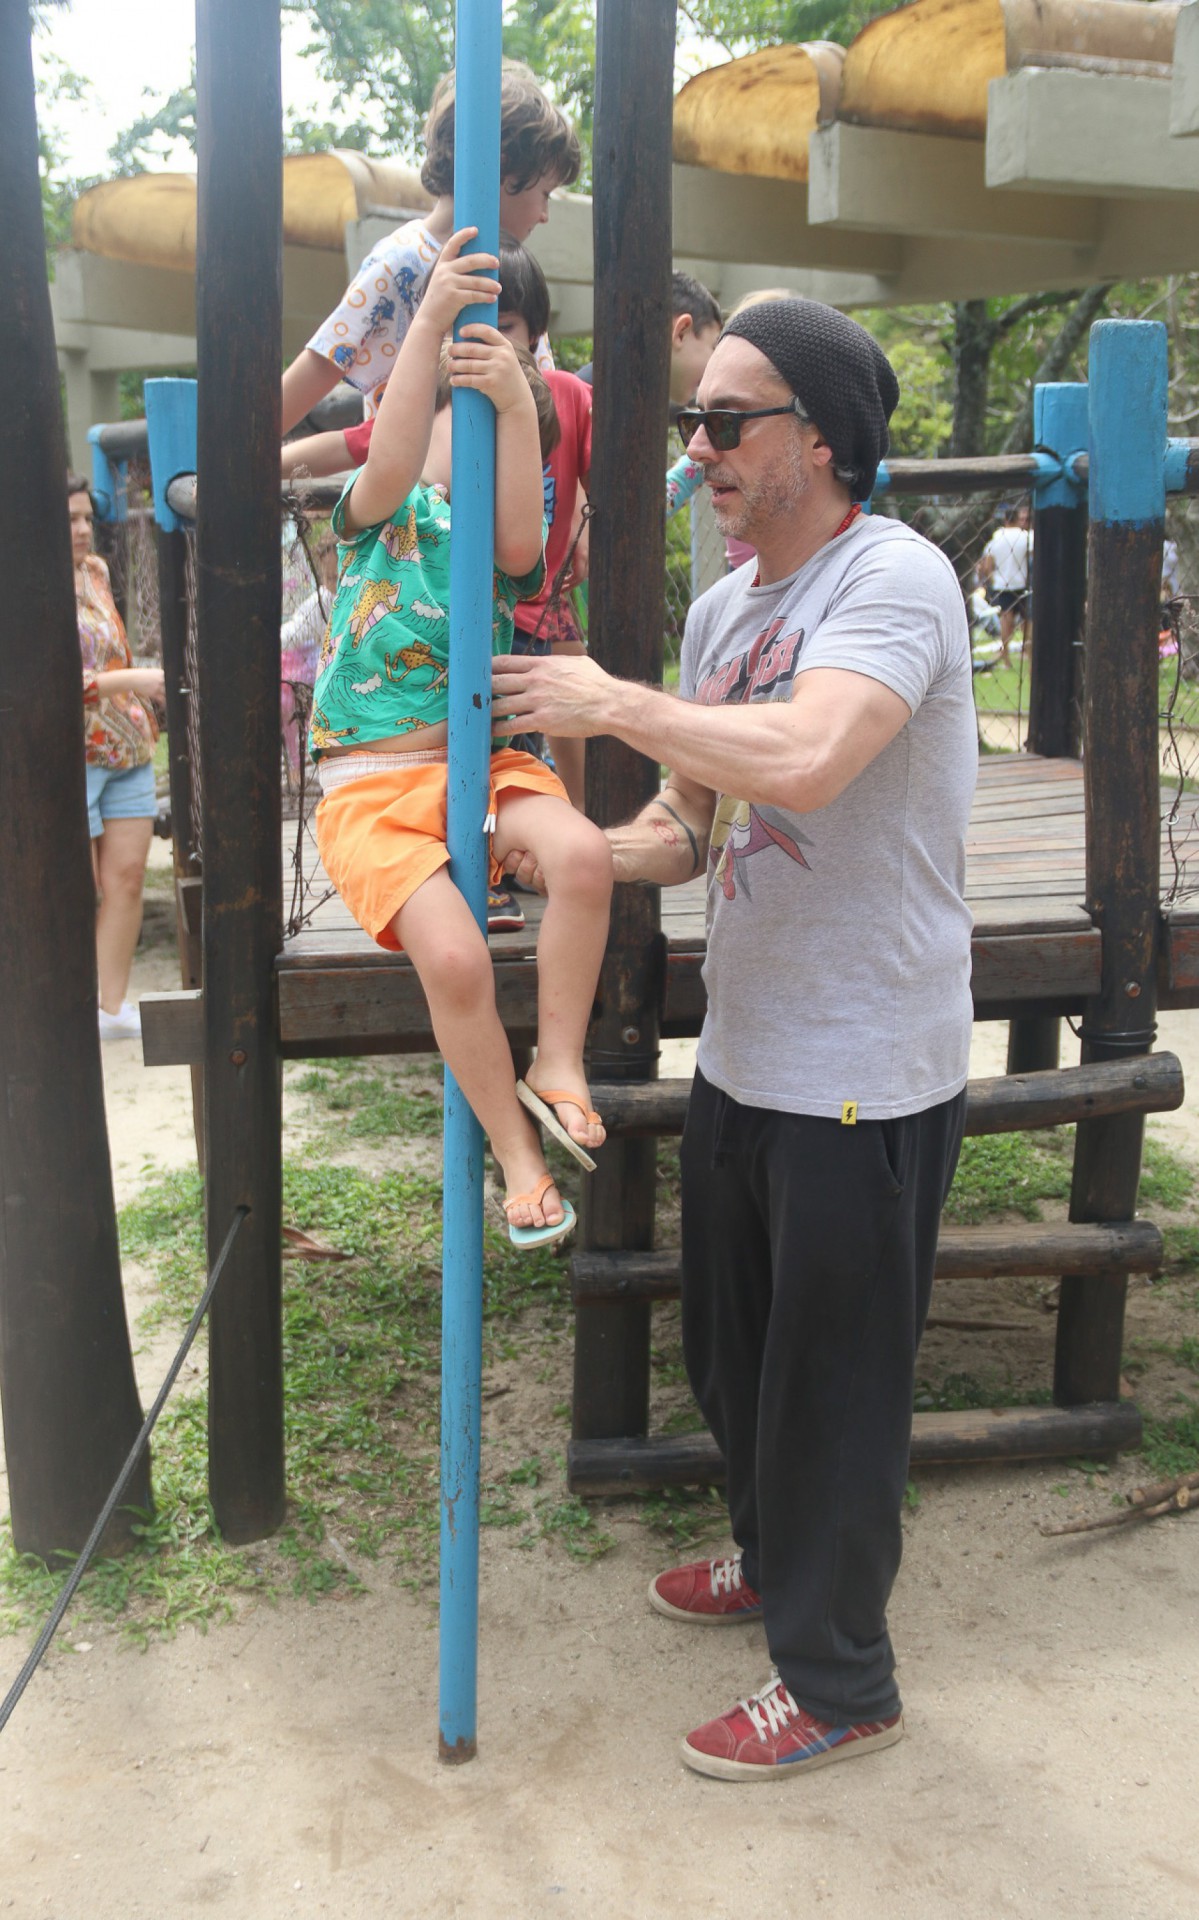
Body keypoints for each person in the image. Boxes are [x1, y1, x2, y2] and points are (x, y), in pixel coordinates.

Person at [492, 298, 977, 1778]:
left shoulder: (891, 579)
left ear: (816, 439)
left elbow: (810, 758)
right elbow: (686, 827)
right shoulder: (722, 612)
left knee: (831, 1390)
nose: (695, 448)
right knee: (733, 1353)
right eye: (693, 421)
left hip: (865, 1066)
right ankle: (774, 1562)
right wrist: (575, 856)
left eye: (722, 420)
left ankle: (840, 1683)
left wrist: (611, 699)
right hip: (748, 1053)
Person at [310, 229, 612, 1248]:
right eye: (458, 419)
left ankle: (557, 1060)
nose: (469, 446)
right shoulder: (377, 514)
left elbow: (525, 538)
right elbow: (393, 455)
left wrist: (519, 403)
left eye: (494, 432)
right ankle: (516, 1153)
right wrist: (433, 319)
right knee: (455, 959)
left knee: (583, 857)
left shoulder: (495, 545)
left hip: (478, 763)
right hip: (370, 785)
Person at [280, 63, 580, 436]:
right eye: (545, 194)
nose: (545, 215)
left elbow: (543, 387)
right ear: (501, 168)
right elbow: (324, 362)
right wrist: (242, 452)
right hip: (420, 470)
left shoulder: (512, 267)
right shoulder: (404, 262)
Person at [70, 475, 166, 1041]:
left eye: (86, 517)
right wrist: (136, 680)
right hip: (69, 756)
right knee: (74, 888)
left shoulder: (96, 572)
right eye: (69, 521)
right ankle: (68, 1006)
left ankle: (109, 1010)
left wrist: (133, 690)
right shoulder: (25, 582)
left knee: (127, 878)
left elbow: (113, 653)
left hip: (126, 745)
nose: (82, 529)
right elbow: (49, 680)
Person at [280, 525, 337, 776]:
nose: (337, 585)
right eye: (330, 578)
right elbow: (295, 630)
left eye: (342, 577)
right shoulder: (322, 602)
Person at [978, 500, 1033, 665]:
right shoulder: (1026, 537)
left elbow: (987, 565)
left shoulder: (996, 538)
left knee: (1005, 622)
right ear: (1017, 518)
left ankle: (1006, 658)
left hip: (1002, 584)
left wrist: (993, 579)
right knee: (1027, 622)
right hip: (1022, 583)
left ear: (1005, 519)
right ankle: (1028, 654)